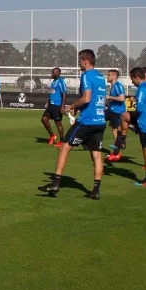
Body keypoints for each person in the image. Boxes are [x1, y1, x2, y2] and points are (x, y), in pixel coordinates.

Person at [40, 49, 108, 200]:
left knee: (64, 148)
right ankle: (96, 190)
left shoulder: (86, 76)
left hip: (87, 121)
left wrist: (70, 107)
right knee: (96, 155)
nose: (79, 63)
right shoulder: (100, 77)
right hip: (100, 121)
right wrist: (78, 106)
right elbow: (95, 98)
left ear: (85, 61)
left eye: (79, 61)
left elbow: (87, 98)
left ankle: (55, 183)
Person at [104, 69, 130, 162]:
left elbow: (122, 98)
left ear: (114, 76)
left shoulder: (118, 85)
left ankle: (117, 152)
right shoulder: (113, 86)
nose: (107, 77)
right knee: (102, 122)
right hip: (111, 110)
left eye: (109, 75)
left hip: (118, 112)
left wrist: (109, 97)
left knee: (116, 130)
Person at [41, 67, 67, 146]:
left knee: (58, 124)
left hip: (57, 106)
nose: (51, 74)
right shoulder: (53, 82)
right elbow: (52, 92)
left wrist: (62, 106)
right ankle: (52, 135)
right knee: (44, 120)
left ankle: (62, 141)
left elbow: (64, 94)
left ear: (58, 73)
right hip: (51, 105)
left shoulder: (61, 81)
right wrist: (48, 101)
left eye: (53, 72)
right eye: (52, 72)